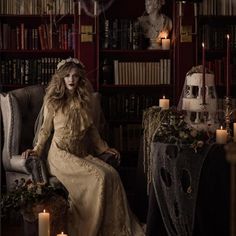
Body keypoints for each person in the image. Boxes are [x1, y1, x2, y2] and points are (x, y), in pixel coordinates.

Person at [22, 57, 145, 236]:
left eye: (75, 76)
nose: (71, 79)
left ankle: (113, 229)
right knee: (99, 177)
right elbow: (44, 131)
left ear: (80, 79)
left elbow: (91, 129)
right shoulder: (53, 102)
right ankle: (89, 230)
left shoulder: (84, 102)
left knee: (112, 174)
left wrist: (103, 148)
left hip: (80, 153)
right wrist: (36, 150)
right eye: (67, 76)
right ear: (61, 79)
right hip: (60, 156)